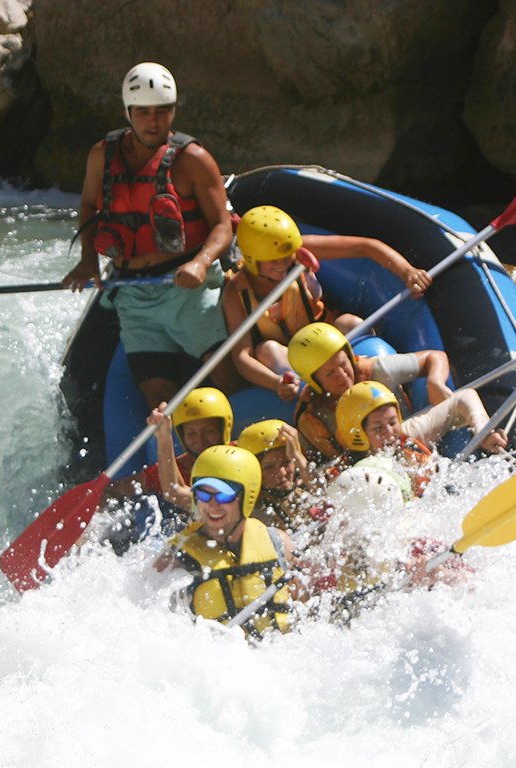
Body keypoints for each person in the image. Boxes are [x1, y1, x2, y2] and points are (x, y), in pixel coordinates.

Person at [62, 61, 240, 409]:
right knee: (155, 395)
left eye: (162, 111)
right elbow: (88, 207)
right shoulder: (103, 154)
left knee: (224, 372)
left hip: (186, 285)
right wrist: (88, 261)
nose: (153, 121)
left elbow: (222, 225)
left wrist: (202, 263)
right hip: (132, 293)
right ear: (128, 112)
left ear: (174, 111)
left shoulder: (193, 159)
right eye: (143, 112)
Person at [223, 205, 433, 401]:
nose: (283, 263)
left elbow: (366, 247)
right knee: (267, 350)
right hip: (290, 362)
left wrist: (408, 272)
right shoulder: (235, 291)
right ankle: (317, 397)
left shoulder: (298, 250)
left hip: (327, 340)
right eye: (273, 260)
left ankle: (380, 382)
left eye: (286, 255)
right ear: (251, 258)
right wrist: (276, 383)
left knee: (350, 323)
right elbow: (242, 358)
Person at [155, 445, 293, 638]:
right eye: (203, 494)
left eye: (223, 495)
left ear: (247, 495)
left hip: (274, 656)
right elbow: (151, 624)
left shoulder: (278, 542)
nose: (212, 504)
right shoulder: (175, 558)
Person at [287, 322, 452, 461]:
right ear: (314, 382)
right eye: (331, 373)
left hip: (411, 435)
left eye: (343, 363)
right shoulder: (313, 417)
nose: (343, 375)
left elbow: (434, 356)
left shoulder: (376, 371)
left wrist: (435, 381)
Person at [97, 386, 233, 550]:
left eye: (209, 431)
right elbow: (113, 490)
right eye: (191, 433)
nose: (200, 440)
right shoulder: (169, 471)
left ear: (224, 428)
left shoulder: (245, 459)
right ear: (182, 435)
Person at [333, 380, 508, 500]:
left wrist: (483, 430)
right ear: (358, 435)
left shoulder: (407, 434)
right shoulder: (349, 476)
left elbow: (463, 398)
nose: (390, 433)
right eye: (378, 428)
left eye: (393, 422)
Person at [235, 418, 323, 533]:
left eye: (286, 462)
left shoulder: (303, 490)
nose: (282, 473)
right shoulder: (250, 513)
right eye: (269, 467)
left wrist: (297, 455)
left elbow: (324, 496)